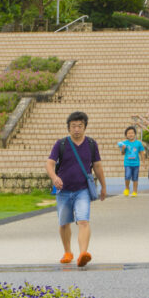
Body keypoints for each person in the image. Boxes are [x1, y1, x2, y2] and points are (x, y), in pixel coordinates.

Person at [46, 111, 106, 268]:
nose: (77, 129)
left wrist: (103, 186)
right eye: (73, 126)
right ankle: (68, 252)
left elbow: (97, 166)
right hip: (63, 190)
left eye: (80, 126)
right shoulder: (61, 144)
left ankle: (82, 254)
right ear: (68, 128)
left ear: (85, 127)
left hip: (82, 190)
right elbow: (50, 163)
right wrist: (54, 177)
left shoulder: (91, 144)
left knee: (83, 221)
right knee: (64, 223)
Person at [117, 126, 144, 197]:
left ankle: (135, 191)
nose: (130, 134)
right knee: (127, 176)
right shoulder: (124, 143)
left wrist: (143, 162)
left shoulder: (138, 143)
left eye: (132, 133)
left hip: (136, 164)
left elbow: (141, 152)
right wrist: (123, 148)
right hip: (127, 163)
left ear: (135, 134)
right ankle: (127, 188)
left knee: (135, 178)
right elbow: (122, 153)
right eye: (129, 133)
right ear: (126, 135)